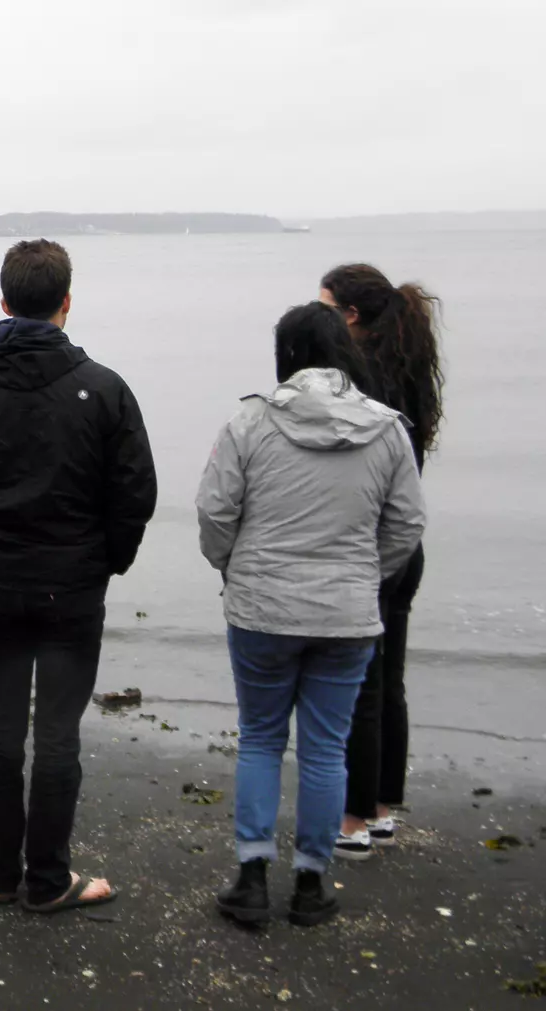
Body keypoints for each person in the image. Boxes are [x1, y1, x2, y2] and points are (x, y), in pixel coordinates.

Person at [0, 239, 156, 913]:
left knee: (2, 732)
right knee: (53, 734)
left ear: (3, 302)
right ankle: (44, 879)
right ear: (66, 303)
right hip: (67, 587)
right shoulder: (102, 389)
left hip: (2, 581)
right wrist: (106, 557)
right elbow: (134, 494)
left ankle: (2, 875)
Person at [196, 302, 425, 927]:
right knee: (326, 750)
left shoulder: (248, 422)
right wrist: (364, 576)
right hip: (347, 614)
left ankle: (251, 875)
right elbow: (405, 525)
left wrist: (233, 568)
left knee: (263, 739)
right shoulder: (387, 429)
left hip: (262, 608)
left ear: (284, 356)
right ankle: (311, 882)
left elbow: (215, 513)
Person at [320, 265, 444, 861]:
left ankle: (354, 819)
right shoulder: (409, 375)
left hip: (367, 548)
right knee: (388, 678)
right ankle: (384, 805)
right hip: (404, 545)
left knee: (362, 686)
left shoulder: (363, 388)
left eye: (324, 307)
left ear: (349, 317)